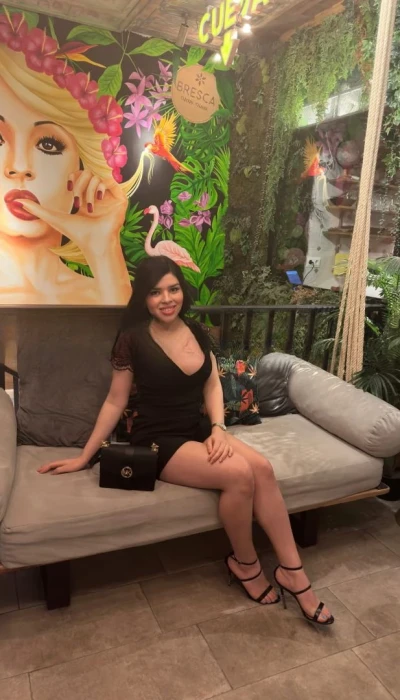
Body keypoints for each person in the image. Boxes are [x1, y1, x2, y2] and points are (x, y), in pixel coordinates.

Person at [39, 255, 334, 625]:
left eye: (173, 289)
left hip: (197, 428)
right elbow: (115, 401)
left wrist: (218, 427)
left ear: (183, 291)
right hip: (157, 438)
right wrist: (85, 456)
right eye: (156, 292)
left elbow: (211, 384)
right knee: (239, 475)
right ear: (143, 297)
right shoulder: (132, 339)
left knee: (262, 468)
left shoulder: (195, 329)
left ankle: (293, 573)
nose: (167, 299)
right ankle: (245, 565)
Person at [0, 41, 131, 305]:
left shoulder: (99, 296)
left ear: (81, 168)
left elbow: (124, 332)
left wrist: (104, 248)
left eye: (48, 145)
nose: (20, 166)